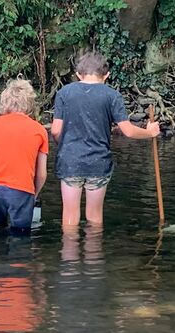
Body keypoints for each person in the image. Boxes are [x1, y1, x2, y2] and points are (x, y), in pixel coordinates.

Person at [51, 51, 160, 227]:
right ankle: (93, 254)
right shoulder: (111, 95)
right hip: (98, 163)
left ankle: (69, 253)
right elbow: (129, 132)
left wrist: (65, 146)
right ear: (107, 75)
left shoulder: (64, 93)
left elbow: (56, 131)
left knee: (70, 215)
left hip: (70, 161)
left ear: (78, 74)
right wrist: (150, 132)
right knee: (94, 217)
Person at [0, 78, 48, 234]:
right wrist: (34, 194)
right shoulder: (40, 130)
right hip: (21, 188)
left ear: (5, 102)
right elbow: (42, 174)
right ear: (31, 104)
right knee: (20, 234)